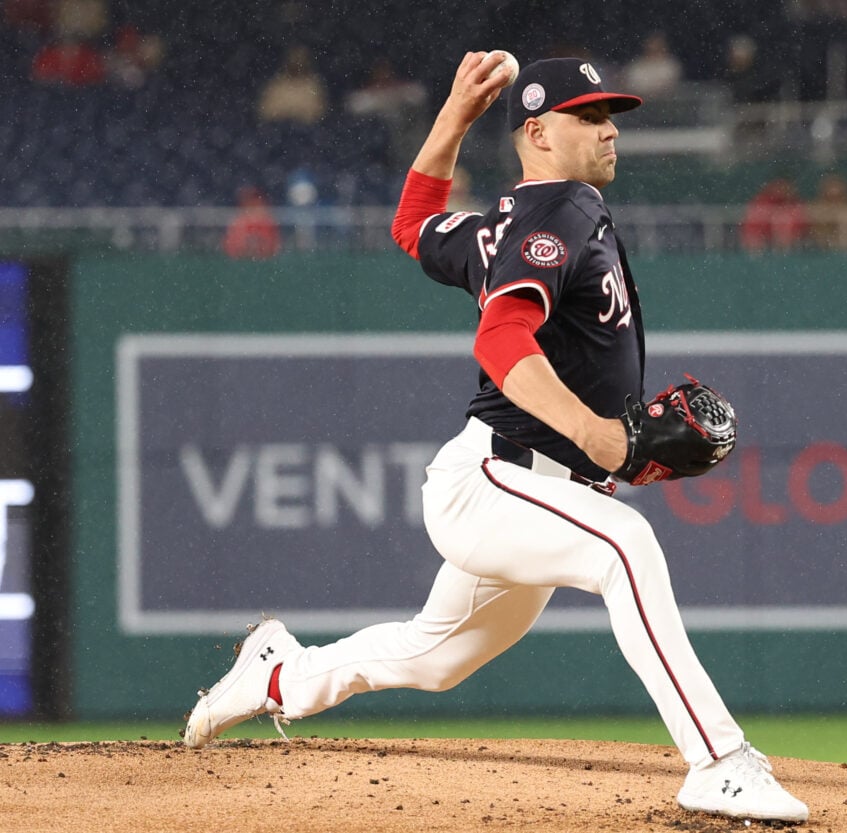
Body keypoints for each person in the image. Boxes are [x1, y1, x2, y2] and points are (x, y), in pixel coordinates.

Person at [182, 52, 808, 825]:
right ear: (539, 132)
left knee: (433, 657)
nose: (611, 130)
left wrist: (452, 116)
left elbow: (412, 223)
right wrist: (600, 436)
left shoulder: (506, 227)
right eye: (591, 116)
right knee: (625, 548)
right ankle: (719, 762)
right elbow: (501, 336)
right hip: (496, 478)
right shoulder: (558, 211)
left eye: (611, 115)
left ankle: (279, 674)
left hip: (538, 486)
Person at [257, 44, 327, 125]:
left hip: (306, 131)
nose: (297, 67)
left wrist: (297, 116)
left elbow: (318, 114)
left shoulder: (313, 86)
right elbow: (265, 112)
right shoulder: (277, 85)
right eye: (294, 64)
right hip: (279, 130)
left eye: (300, 63)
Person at [739, 177, 808, 253]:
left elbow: (800, 227)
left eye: (784, 187)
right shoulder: (762, 202)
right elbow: (752, 228)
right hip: (759, 245)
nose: (781, 190)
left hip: (787, 247)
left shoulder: (793, 204)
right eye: (779, 187)